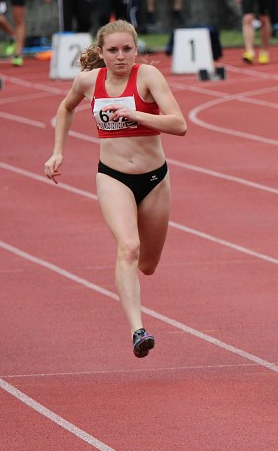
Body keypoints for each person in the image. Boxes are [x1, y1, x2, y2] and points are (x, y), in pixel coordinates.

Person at [44, 20, 188, 358]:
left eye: (127, 49)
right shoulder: (88, 81)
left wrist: (136, 114)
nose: (120, 56)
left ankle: (133, 283)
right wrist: (57, 150)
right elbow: (65, 108)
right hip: (113, 176)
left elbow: (179, 124)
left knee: (148, 264)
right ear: (100, 52)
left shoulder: (149, 78)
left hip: (154, 180)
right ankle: (138, 330)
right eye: (113, 50)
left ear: (136, 50)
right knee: (128, 247)